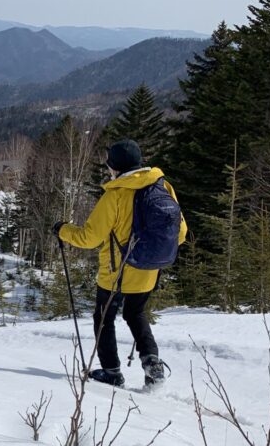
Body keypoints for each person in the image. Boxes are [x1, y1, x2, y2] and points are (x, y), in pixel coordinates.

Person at [54, 139, 187, 388]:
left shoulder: (115, 195)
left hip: (116, 273)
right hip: (149, 270)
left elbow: (89, 238)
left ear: (115, 167)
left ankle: (111, 372)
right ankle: (152, 363)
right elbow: (180, 233)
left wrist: (63, 230)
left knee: (103, 318)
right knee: (136, 313)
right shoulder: (163, 186)